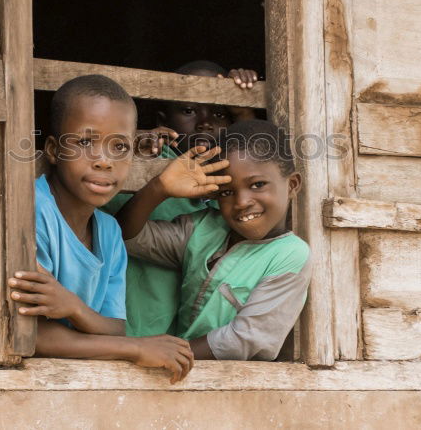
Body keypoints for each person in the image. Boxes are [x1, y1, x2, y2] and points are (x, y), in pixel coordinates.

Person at [8, 75, 224, 381]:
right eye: (85, 142)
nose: (105, 161)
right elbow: (35, 336)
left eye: (120, 147)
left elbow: (115, 326)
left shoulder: (109, 231)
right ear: (54, 150)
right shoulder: (33, 213)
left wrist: (74, 309)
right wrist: (135, 349)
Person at [117, 120, 312, 360]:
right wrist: (159, 188)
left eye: (258, 185)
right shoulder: (203, 228)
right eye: (227, 192)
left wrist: (167, 353)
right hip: (176, 370)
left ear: (292, 185)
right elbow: (127, 238)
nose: (241, 202)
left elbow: (244, 339)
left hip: (232, 385)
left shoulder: (290, 254)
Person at [101, 60, 261, 337]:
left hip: (190, 340)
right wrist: (137, 153)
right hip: (135, 326)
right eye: (188, 110)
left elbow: (259, 163)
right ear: (164, 121)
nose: (205, 122)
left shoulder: (230, 180)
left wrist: (245, 110)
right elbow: (113, 223)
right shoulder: (148, 160)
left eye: (220, 113)